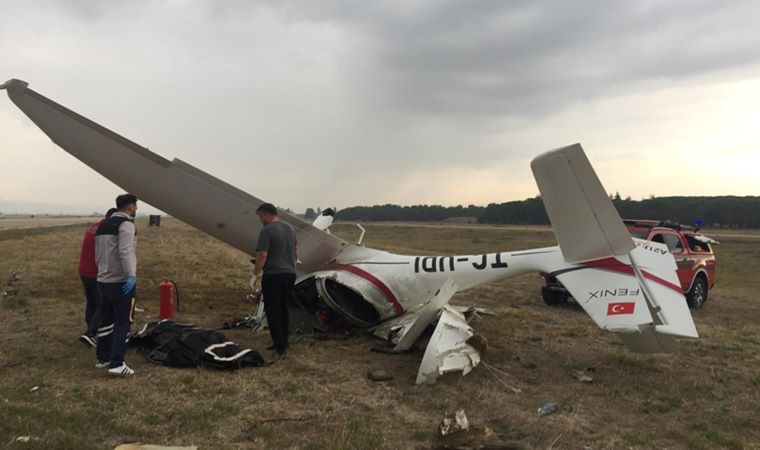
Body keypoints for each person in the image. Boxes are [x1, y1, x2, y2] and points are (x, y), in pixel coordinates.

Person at [94, 194, 138, 376]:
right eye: (135, 206)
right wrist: (131, 275)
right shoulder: (126, 225)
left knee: (105, 320)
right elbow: (125, 251)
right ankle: (117, 363)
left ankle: (102, 358)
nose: (136, 209)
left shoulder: (103, 225)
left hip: (103, 280)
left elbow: (98, 254)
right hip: (120, 282)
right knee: (122, 322)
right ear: (130, 206)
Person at [252, 203, 297, 357]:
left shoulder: (266, 230)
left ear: (266, 214)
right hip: (290, 274)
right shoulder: (289, 228)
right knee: (284, 309)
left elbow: (262, 255)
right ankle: (284, 341)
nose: (260, 220)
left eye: (260, 217)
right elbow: (295, 252)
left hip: (273, 276)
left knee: (273, 311)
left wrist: (255, 274)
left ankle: (280, 347)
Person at [78, 208, 117, 347]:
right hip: (96, 273)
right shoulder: (106, 231)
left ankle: (91, 329)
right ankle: (90, 333)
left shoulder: (92, 227)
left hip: (84, 271)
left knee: (91, 303)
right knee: (102, 304)